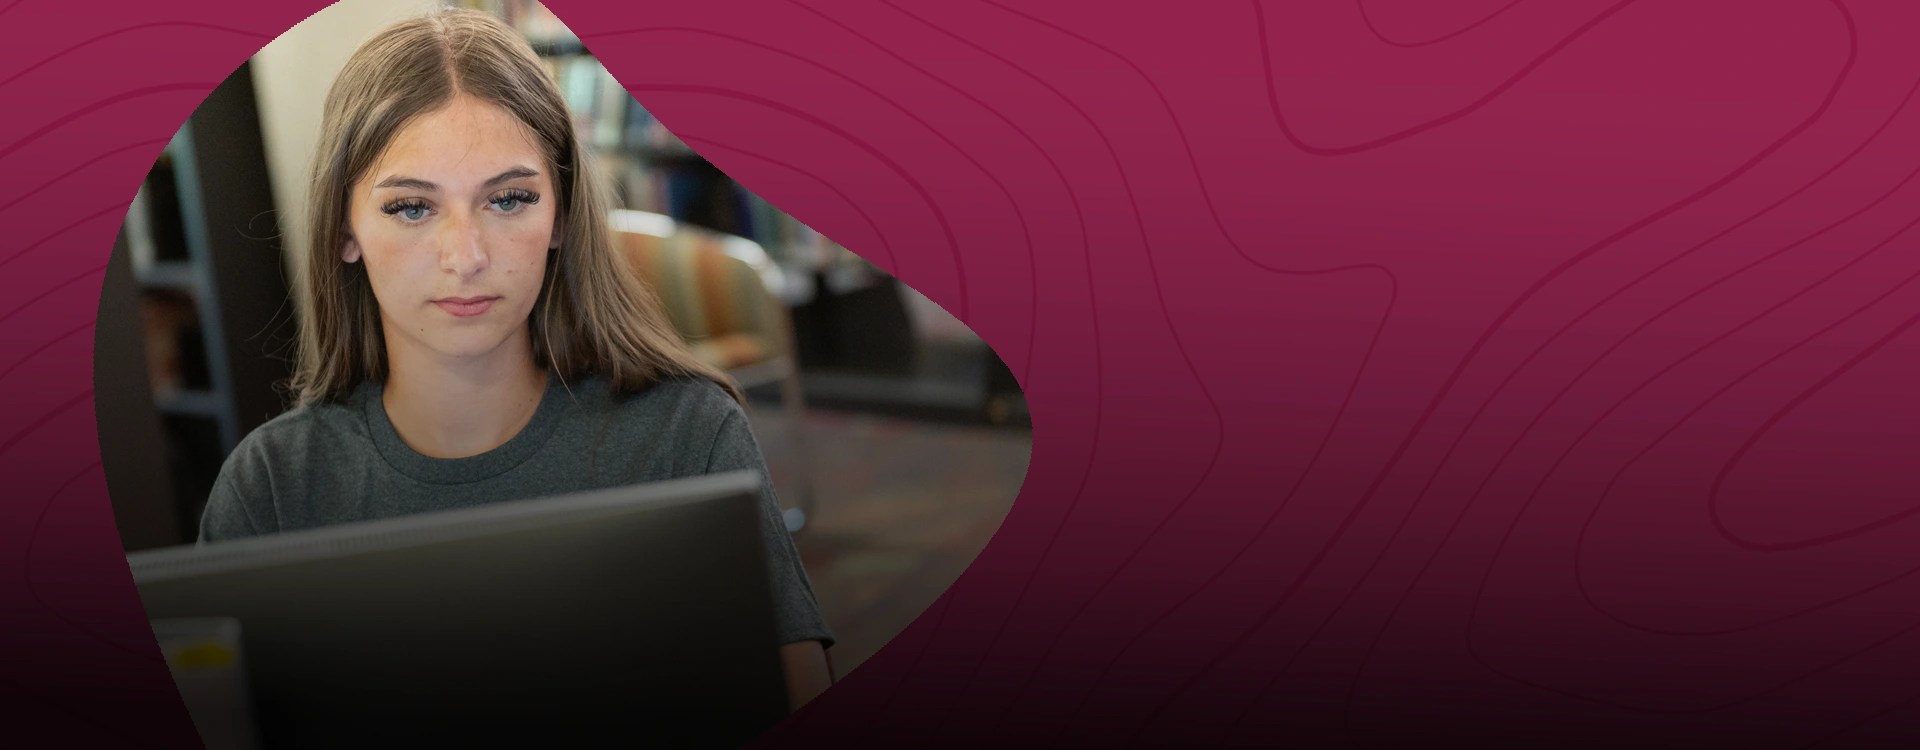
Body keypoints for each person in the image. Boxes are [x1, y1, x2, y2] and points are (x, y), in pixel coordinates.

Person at [196, 7, 835, 711]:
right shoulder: (273, 489)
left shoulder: (686, 435)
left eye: (508, 200)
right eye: (411, 208)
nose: (466, 257)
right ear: (346, 230)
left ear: (560, 214)